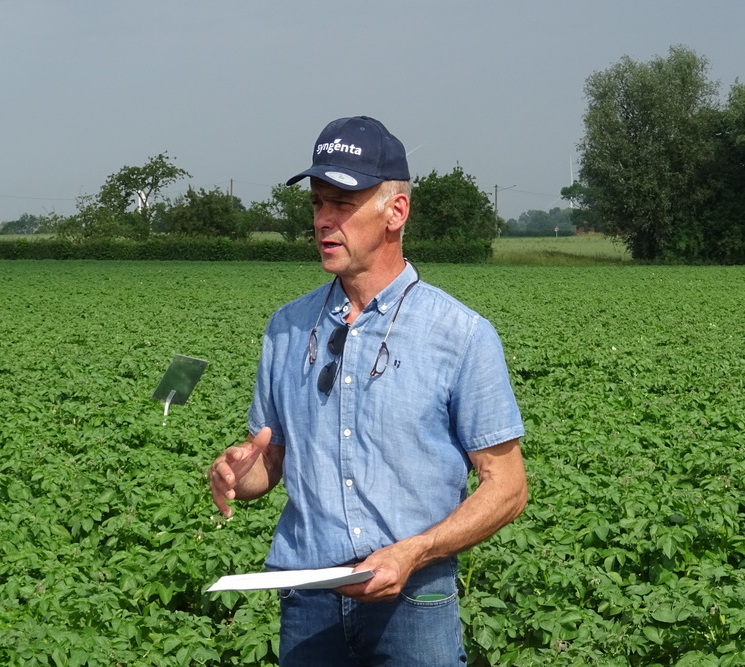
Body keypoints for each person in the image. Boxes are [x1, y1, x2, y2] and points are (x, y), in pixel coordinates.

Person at [209, 116, 527, 666]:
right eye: (317, 204)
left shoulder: (460, 335)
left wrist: (414, 552)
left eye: (342, 203)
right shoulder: (287, 328)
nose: (323, 220)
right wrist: (240, 473)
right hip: (308, 598)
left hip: (414, 602)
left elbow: (508, 487)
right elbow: (270, 462)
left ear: (395, 212)